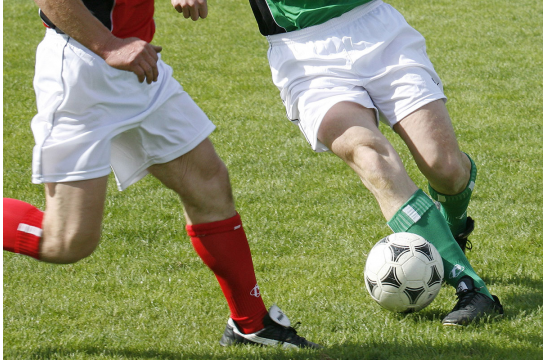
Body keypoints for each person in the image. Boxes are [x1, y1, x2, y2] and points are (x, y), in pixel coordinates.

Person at [3, 0, 320, 349]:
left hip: (140, 64)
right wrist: (110, 46)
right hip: (82, 69)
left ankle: (251, 323)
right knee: (66, 241)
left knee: (209, 186)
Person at [240, 0, 504, 325]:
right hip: (304, 53)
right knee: (372, 160)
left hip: (377, 31)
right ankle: (472, 287)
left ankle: (453, 228)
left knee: (446, 169)